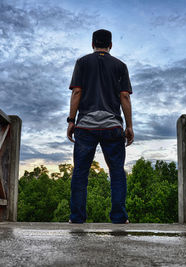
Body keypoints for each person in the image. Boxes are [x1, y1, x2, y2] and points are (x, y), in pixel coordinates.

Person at [66, 29, 134, 224]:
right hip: (112, 126)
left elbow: (77, 92)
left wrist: (71, 120)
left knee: (80, 172)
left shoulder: (82, 63)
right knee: (117, 172)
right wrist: (129, 126)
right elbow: (125, 97)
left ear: (92, 44)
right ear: (110, 45)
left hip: (85, 126)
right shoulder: (120, 66)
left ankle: (77, 218)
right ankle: (119, 218)